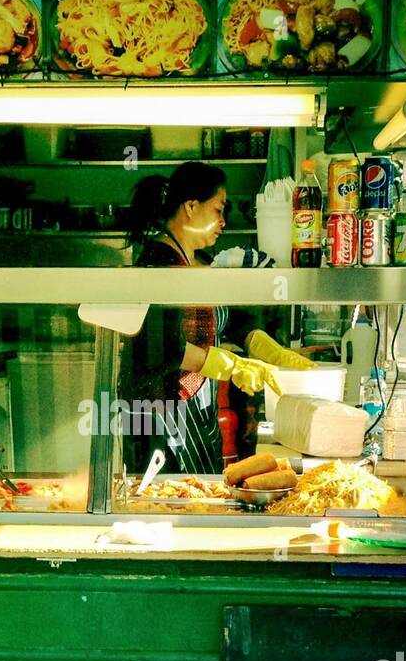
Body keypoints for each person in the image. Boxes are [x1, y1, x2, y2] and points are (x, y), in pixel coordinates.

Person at [119, 162, 303, 476]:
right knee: (167, 501)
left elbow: (225, 317)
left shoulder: (200, 262)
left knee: (204, 494)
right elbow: (161, 347)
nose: (222, 222)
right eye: (218, 210)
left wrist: (267, 348)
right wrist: (231, 365)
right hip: (158, 413)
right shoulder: (158, 263)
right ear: (191, 206)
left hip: (198, 407)